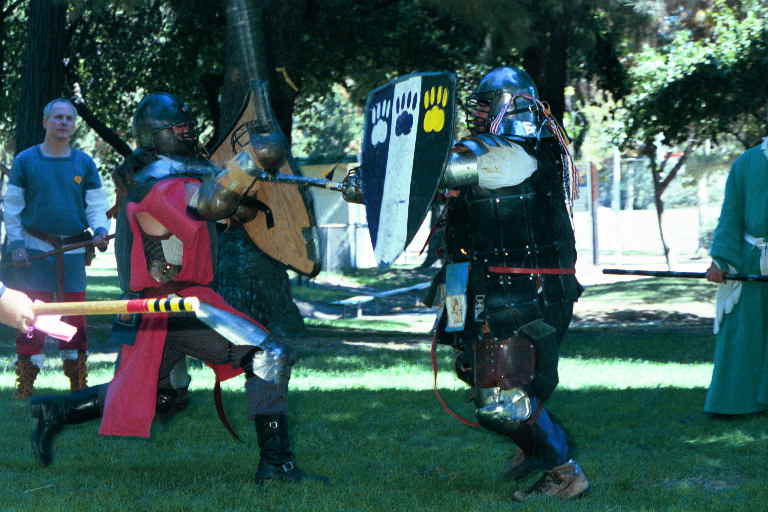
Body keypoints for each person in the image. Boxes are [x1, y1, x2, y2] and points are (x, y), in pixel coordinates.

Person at [28, 92, 325, 484]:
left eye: (190, 127)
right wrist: (250, 159)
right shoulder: (157, 184)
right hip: (177, 304)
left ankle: (59, 410)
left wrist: (251, 194)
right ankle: (276, 464)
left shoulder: (171, 178)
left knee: (163, 396)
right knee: (267, 354)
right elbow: (206, 205)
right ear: (159, 135)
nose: (190, 134)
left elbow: (230, 210)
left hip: (161, 307)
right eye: (181, 129)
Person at [426, 67, 589, 500]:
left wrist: (376, 179)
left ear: (508, 104)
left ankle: (564, 472)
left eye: (485, 102)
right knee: (474, 370)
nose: (476, 112)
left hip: (522, 289)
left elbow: (435, 174)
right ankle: (534, 449)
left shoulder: (512, 153)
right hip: (489, 283)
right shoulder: (502, 150)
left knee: (501, 396)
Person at [4, 98, 110, 399]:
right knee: (32, 313)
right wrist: (17, 245)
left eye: (68, 118)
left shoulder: (84, 164)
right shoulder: (26, 161)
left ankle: (77, 380)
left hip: (73, 250)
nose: (63, 122)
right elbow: (12, 207)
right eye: (58, 117)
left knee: (74, 313)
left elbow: (96, 205)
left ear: (73, 125)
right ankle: (26, 382)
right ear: (45, 121)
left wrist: (100, 230)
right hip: (36, 249)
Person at [704, 138, 768, 416]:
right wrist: (720, 260)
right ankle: (737, 401)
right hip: (749, 260)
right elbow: (731, 213)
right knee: (744, 332)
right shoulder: (747, 163)